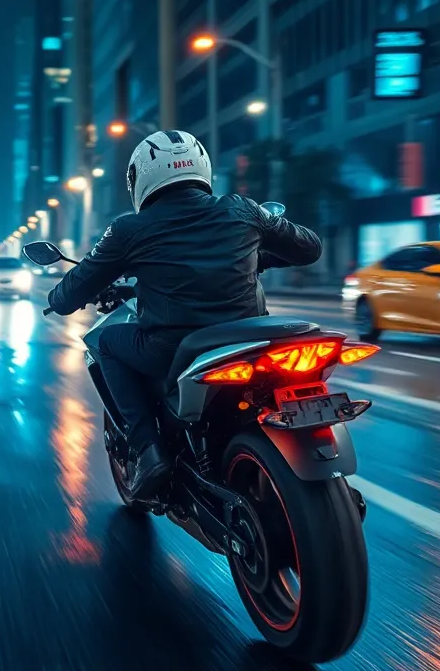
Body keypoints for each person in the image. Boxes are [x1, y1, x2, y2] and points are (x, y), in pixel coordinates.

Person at [45, 129, 321, 497]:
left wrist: (59, 293)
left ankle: (148, 450)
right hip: (252, 336)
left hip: (173, 348)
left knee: (107, 341)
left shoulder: (130, 229)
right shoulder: (242, 208)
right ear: (201, 167)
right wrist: (254, 257)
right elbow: (309, 249)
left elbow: (68, 296)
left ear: (139, 179)